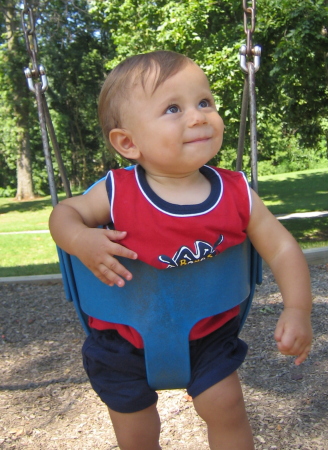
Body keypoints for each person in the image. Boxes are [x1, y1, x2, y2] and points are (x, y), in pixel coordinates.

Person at [49, 50, 313, 450]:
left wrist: (297, 309)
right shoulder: (118, 191)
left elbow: (281, 248)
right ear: (127, 142)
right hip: (119, 341)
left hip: (208, 336)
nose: (198, 116)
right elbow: (64, 213)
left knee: (226, 406)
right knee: (136, 434)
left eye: (204, 102)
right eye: (173, 108)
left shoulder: (237, 192)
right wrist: (79, 239)